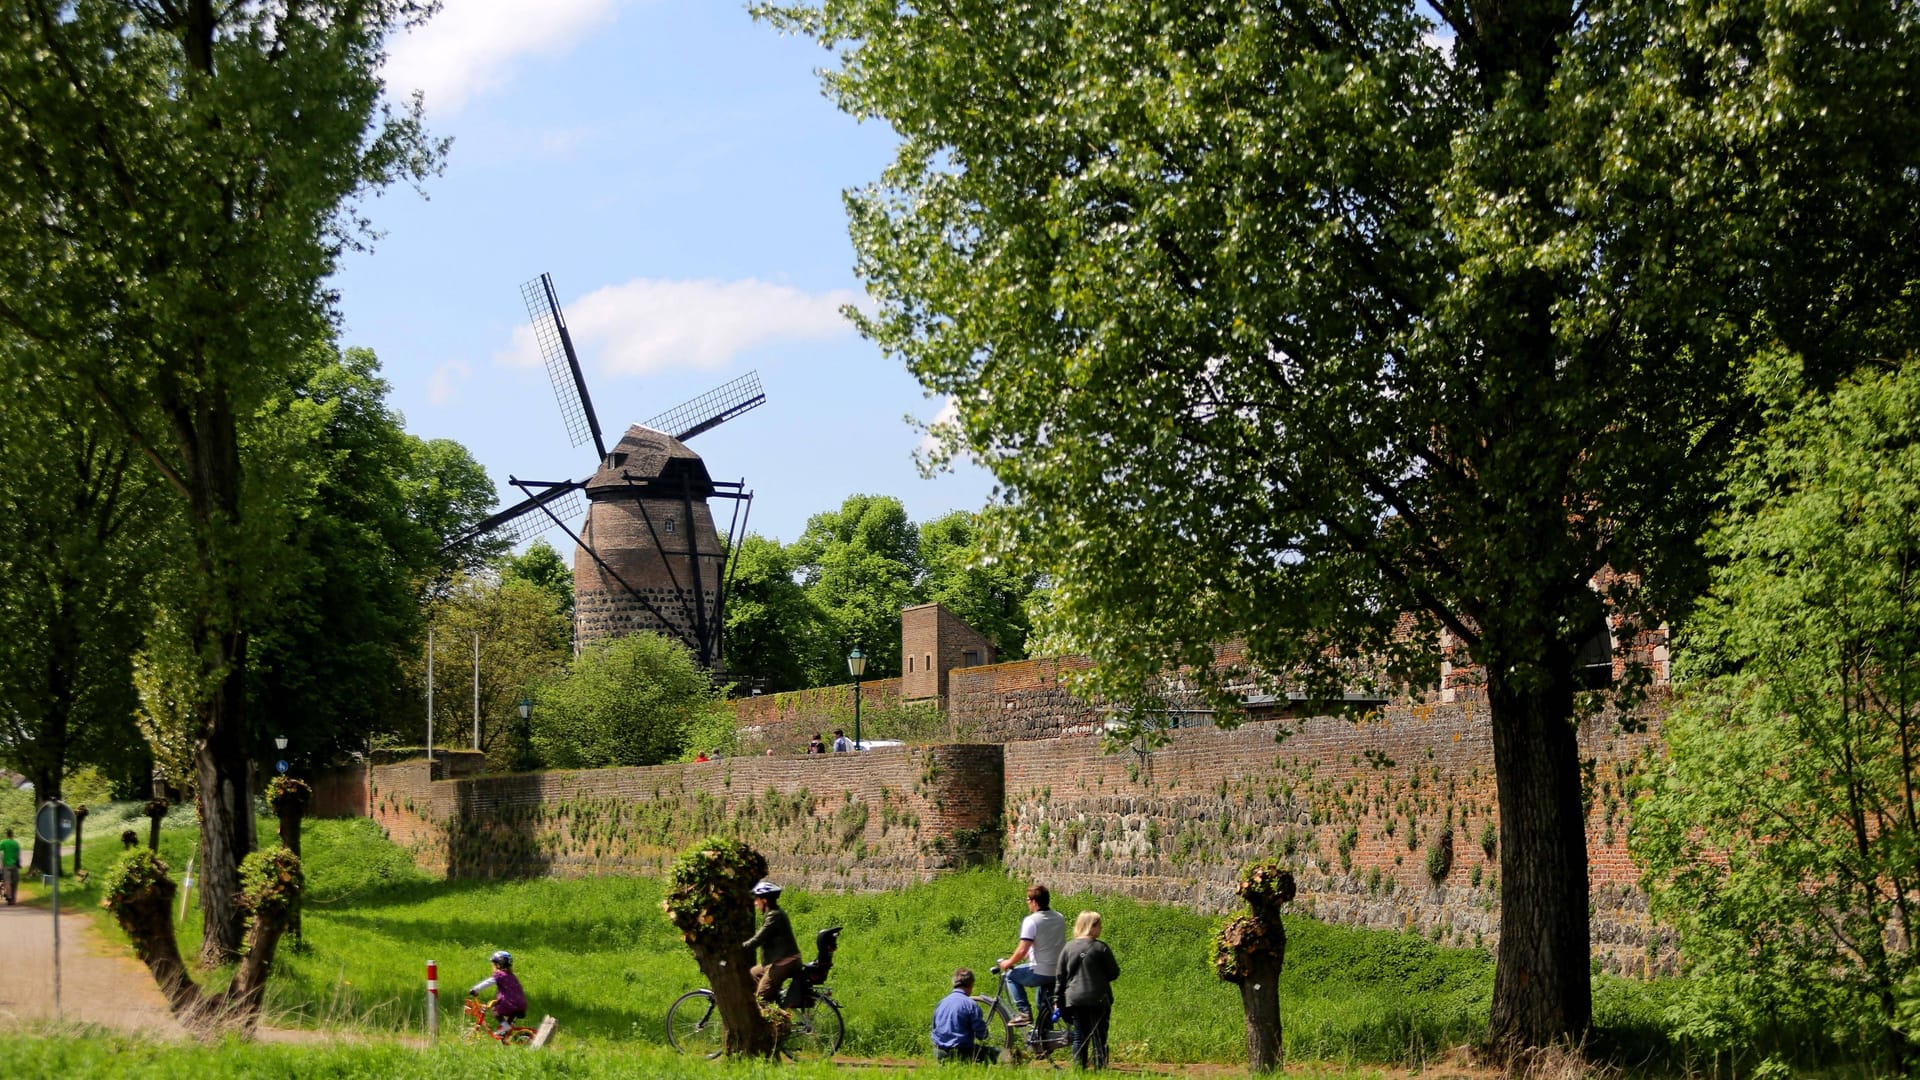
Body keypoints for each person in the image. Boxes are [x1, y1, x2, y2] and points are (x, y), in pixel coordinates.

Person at [994, 883, 1065, 1039]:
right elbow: (1049, 942)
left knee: (1010, 976)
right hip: (1058, 971)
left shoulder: (1031, 921)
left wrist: (1007, 963)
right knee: (1043, 1005)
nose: (1027, 903)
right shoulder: (1059, 918)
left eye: (1028, 899)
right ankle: (1044, 1042)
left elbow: (1021, 950)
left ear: (1034, 902)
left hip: (1041, 970)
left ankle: (1024, 1012)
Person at [1058, 911, 1121, 1070]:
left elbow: (1060, 977)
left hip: (1075, 999)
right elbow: (1114, 973)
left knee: (1080, 1036)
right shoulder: (1101, 948)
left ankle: (1079, 1071)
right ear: (1091, 927)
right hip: (1099, 998)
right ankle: (1100, 1070)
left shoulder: (1068, 947)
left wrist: (1057, 1001)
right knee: (1099, 1037)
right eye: (1099, 925)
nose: (1101, 928)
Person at [744, 880, 804, 1005]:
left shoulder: (774, 916)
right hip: (778, 960)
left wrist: (738, 949)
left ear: (764, 900)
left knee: (761, 999)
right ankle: (773, 997)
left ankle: (776, 1020)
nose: (755, 903)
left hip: (786, 963)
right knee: (753, 973)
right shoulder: (773, 914)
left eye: (757, 900)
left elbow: (758, 939)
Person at [930, 968, 997, 1063]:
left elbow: (934, 1027)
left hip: (939, 1052)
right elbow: (982, 1034)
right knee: (999, 1054)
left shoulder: (941, 1003)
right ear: (970, 985)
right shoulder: (970, 1004)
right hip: (961, 1053)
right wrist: (985, 1034)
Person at [468, 949, 528, 1038]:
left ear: (498, 964)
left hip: (510, 1003)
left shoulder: (500, 975)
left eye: (493, 964)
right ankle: (507, 1030)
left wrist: (475, 989)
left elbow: (488, 982)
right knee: (509, 1017)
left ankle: (506, 1028)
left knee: (495, 1011)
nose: (493, 966)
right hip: (521, 1004)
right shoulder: (511, 975)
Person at [0, 828, 19, 906]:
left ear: (7, 835)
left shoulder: (4, 842)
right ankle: (13, 899)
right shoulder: (15, 843)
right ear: (12, 835)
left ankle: (9, 896)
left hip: (6, 865)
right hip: (14, 865)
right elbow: (18, 855)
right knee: (14, 883)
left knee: (7, 881)